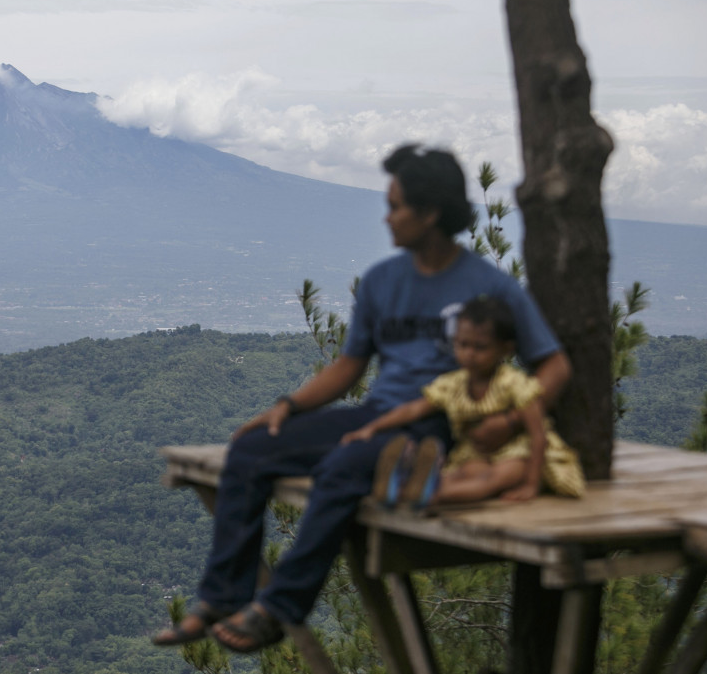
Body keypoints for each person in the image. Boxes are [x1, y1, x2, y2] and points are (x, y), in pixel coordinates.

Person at [151, 143, 573, 654]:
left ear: (429, 213)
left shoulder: (488, 286)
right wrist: (289, 407)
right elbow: (349, 366)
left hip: (438, 426)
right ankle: (222, 596)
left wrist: (508, 424)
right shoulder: (382, 281)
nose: (386, 217)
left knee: (345, 466)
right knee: (251, 449)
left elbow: (554, 365)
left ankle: (280, 607)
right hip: (380, 415)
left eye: (395, 206)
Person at [341, 295, 585, 509]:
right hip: (476, 454)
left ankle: (429, 495)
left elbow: (538, 435)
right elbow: (414, 409)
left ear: (505, 349)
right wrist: (372, 428)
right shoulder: (454, 384)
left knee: (490, 479)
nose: (470, 353)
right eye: (463, 344)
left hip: (521, 455)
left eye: (480, 347)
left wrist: (531, 485)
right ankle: (408, 488)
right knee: (460, 474)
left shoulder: (513, 384)